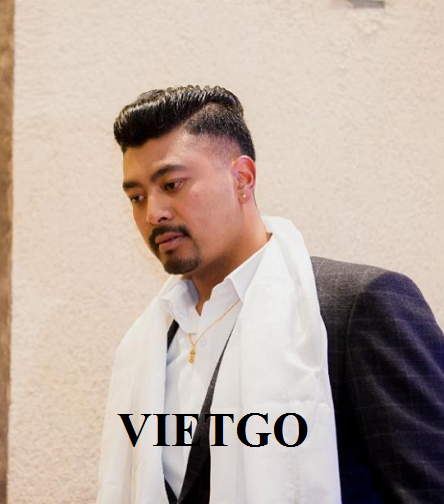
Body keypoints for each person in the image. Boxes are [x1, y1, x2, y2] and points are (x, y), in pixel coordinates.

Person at [96, 85, 444, 504]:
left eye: (171, 184)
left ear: (242, 178)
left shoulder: (357, 307)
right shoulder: (147, 345)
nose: (153, 213)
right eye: (136, 197)